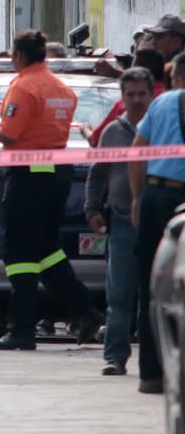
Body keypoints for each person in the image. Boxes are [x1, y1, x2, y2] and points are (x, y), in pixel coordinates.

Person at [0, 30, 101, 351]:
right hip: (57, 174)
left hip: (28, 175)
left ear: (19, 56)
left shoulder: (23, 86)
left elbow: (8, 135)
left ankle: (21, 330)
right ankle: (85, 312)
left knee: (18, 251)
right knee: (46, 249)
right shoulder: (60, 86)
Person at [85, 67, 156, 376]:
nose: (137, 100)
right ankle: (115, 356)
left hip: (158, 224)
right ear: (122, 97)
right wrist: (92, 208)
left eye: (142, 94)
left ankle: (154, 362)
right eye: (131, 95)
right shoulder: (113, 132)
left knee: (155, 296)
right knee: (119, 295)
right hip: (123, 224)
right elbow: (97, 173)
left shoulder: (166, 129)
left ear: (152, 95)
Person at [129, 51, 185, 393]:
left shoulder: (162, 105)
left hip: (156, 197)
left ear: (177, 76)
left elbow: (137, 150)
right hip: (180, 199)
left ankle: (151, 374)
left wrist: (138, 198)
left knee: (152, 282)